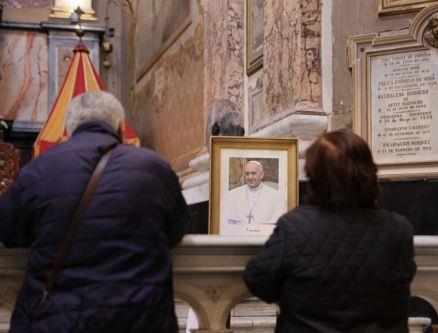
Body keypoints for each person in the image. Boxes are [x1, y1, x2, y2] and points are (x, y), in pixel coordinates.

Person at [0, 91, 190, 332]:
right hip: (140, 319)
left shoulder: (37, 170)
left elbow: (8, 232)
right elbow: (177, 228)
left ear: (68, 130)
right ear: (121, 128)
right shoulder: (154, 168)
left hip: (57, 320)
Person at [243, 130, 416, 333]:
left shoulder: (294, 226)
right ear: (368, 173)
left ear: (315, 175)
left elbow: (258, 281)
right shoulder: (399, 230)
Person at [220, 160, 286, 235]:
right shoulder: (231, 195)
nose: (250, 177)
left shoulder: (276, 196)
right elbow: (226, 226)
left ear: (262, 175)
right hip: (239, 239)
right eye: (247, 174)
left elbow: (278, 228)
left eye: (253, 173)